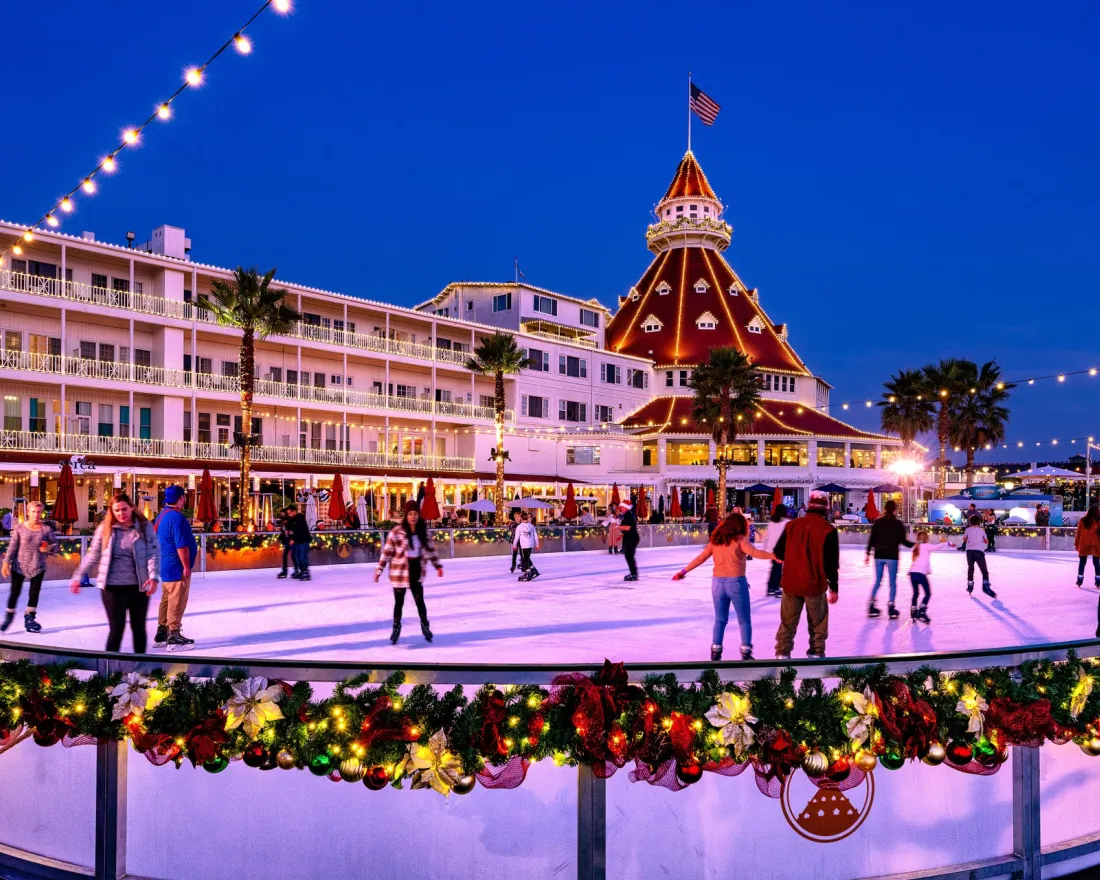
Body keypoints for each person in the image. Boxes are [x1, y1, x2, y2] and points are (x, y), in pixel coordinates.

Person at [672, 512, 774, 661]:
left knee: (720, 619)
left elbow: (701, 558)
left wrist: (683, 571)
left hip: (718, 583)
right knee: (744, 619)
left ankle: (716, 650)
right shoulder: (740, 540)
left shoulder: (716, 540)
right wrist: (773, 556)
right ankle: (746, 651)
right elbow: (754, 552)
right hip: (736, 583)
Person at [70, 493, 160, 653]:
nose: (121, 513)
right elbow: (93, 554)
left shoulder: (144, 527)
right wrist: (78, 575)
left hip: (139, 587)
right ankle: (110, 669)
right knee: (116, 629)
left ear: (132, 507)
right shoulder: (105, 529)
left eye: (124, 509)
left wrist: (153, 576)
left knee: (138, 627)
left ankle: (139, 667)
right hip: (112, 588)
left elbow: (153, 552)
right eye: (116, 510)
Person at [772, 490, 839, 660]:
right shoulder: (828, 530)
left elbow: (778, 553)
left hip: (791, 583)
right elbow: (831, 563)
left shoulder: (792, 526)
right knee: (818, 625)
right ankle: (816, 655)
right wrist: (834, 588)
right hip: (814, 585)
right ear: (826, 509)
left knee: (787, 624)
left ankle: (782, 655)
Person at [375, 500, 443, 644]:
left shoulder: (423, 532)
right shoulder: (396, 532)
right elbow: (387, 552)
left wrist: (437, 566)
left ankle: (425, 626)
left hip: (416, 569)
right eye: (410, 514)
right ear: (406, 516)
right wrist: (379, 569)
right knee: (399, 603)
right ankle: (396, 628)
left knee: (420, 601)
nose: (413, 517)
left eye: (415, 514)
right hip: (399, 571)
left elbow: (430, 550)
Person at [1, 500, 59, 633]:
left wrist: (49, 547)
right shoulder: (20, 528)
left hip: (38, 566)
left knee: (34, 594)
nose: (36, 514)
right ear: (28, 512)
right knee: (15, 592)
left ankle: (29, 618)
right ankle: (9, 616)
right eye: (33, 511)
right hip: (19, 565)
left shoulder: (46, 529)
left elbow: (56, 546)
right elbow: (12, 546)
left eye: (39, 512)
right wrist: (6, 562)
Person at [153, 485, 198, 651]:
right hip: (176, 565)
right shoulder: (177, 518)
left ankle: (162, 632)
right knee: (176, 599)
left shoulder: (161, 515)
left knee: (166, 597)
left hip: (165, 564)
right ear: (181, 498)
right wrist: (186, 566)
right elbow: (181, 545)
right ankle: (173, 634)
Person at [865, 499, 914, 620]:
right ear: (895, 510)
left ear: (885, 508)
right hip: (892, 556)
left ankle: (871, 604)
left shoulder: (878, 522)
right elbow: (903, 541)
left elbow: (872, 538)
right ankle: (891, 606)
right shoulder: (898, 524)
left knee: (878, 580)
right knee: (892, 583)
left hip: (879, 555)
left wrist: (867, 552)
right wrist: (916, 545)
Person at [908, 530, 955, 624]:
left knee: (916, 593)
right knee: (928, 593)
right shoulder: (926, 546)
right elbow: (938, 546)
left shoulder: (915, 546)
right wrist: (949, 542)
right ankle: (921, 611)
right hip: (920, 574)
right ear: (926, 538)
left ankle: (913, 611)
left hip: (912, 573)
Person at [762, 504, 790, 598]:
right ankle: (776, 587)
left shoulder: (772, 523)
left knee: (775, 567)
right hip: (781, 549)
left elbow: (766, 537)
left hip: (772, 549)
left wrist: (765, 548)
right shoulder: (787, 523)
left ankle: (771, 587)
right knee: (778, 568)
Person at [964, 514, 996, 597]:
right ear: (979, 522)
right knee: (984, 570)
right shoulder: (982, 531)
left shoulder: (967, 530)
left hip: (969, 552)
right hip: (979, 552)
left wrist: (969, 539)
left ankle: (970, 584)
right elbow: (986, 541)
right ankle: (985, 585)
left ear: (970, 522)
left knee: (970, 568)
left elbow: (964, 539)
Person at [1074, 505, 1100, 588]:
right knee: (1096, 563)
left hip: (1084, 544)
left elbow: (1078, 533)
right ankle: (1098, 581)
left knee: (1082, 562)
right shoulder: (1098, 521)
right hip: (1095, 544)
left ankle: (1079, 580)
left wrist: (1076, 543)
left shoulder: (1082, 520)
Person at [285, 504, 312, 581]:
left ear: (294, 511)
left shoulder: (300, 517)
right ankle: (302, 570)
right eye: (288, 513)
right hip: (297, 542)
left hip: (303, 540)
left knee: (302, 556)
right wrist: (290, 538)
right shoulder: (291, 520)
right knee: (296, 556)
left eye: (290, 513)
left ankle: (305, 572)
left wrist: (293, 538)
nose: (289, 515)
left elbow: (299, 530)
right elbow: (290, 531)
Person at [512, 512, 541, 581]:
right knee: (527, 558)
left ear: (521, 518)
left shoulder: (519, 527)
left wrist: (514, 545)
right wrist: (537, 545)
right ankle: (533, 570)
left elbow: (516, 537)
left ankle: (528, 572)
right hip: (531, 544)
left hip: (524, 545)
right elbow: (536, 536)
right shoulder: (531, 526)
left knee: (525, 559)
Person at [618, 501, 640, 581]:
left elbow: (628, 527)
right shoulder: (626, 515)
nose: (621, 508)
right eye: (621, 507)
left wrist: (618, 527)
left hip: (632, 538)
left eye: (622, 507)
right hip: (630, 537)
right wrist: (621, 534)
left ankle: (634, 574)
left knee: (629, 556)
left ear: (626, 508)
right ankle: (633, 573)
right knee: (629, 556)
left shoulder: (628, 515)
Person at [276, 507, 299, 579]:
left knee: (293, 556)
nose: (282, 515)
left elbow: (293, 530)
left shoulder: (290, 521)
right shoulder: (282, 522)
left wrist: (292, 538)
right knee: (285, 555)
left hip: (292, 540)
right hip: (287, 541)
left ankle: (296, 570)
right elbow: (283, 532)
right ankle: (285, 571)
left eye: (283, 514)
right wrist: (280, 538)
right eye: (281, 514)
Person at [507, 508, 523, 573]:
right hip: (515, 541)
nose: (517, 518)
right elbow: (510, 529)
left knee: (522, 554)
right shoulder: (513, 523)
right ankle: (513, 565)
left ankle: (523, 564)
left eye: (518, 517)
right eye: (516, 517)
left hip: (522, 541)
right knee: (514, 554)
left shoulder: (522, 524)